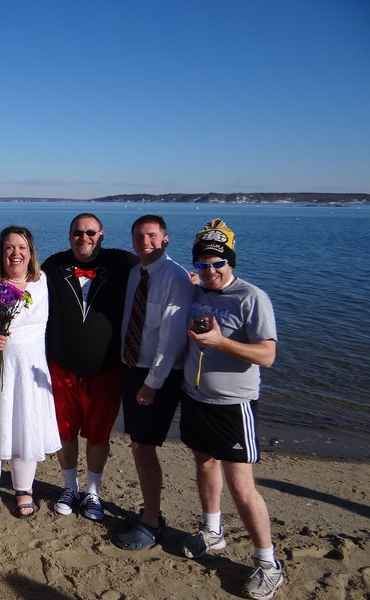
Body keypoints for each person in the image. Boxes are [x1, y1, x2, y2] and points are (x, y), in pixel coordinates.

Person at [179, 219, 284, 598]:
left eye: (218, 263)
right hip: (195, 399)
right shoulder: (197, 291)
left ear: (231, 262)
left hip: (232, 405)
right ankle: (212, 531)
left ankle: (268, 561)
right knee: (204, 465)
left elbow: (268, 355)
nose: (211, 271)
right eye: (204, 264)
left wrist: (222, 343)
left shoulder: (252, 297)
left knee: (242, 486)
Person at [42, 213, 137, 520]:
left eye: (90, 233)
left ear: (102, 235)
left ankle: (93, 492)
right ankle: (70, 486)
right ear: (69, 235)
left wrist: (190, 278)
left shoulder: (122, 262)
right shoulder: (54, 265)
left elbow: (158, 270)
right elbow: (22, 285)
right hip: (62, 366)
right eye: (77, 233)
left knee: (99, 435)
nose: (84, 238)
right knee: (65, 431)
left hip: (107, 369)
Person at [0, 226, 61, 518]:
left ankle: (23, 488)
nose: (15, 253)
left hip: (29, 369)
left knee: (24, 423)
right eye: (9, 248)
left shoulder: (43, 281)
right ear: (1, 252)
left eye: (21, 247)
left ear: (31, 253)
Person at [113, 215, 194, 550]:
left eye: (150, 235)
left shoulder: (175, 278)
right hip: (133, 369)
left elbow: (172, 340)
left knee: (144, 447)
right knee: (137, 444)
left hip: (157, 375)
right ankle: (150, 511)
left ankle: (151, 520)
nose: (143, 241)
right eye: (137, 236)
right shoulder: (135, 273)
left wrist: (153, 383)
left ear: (165, 240)